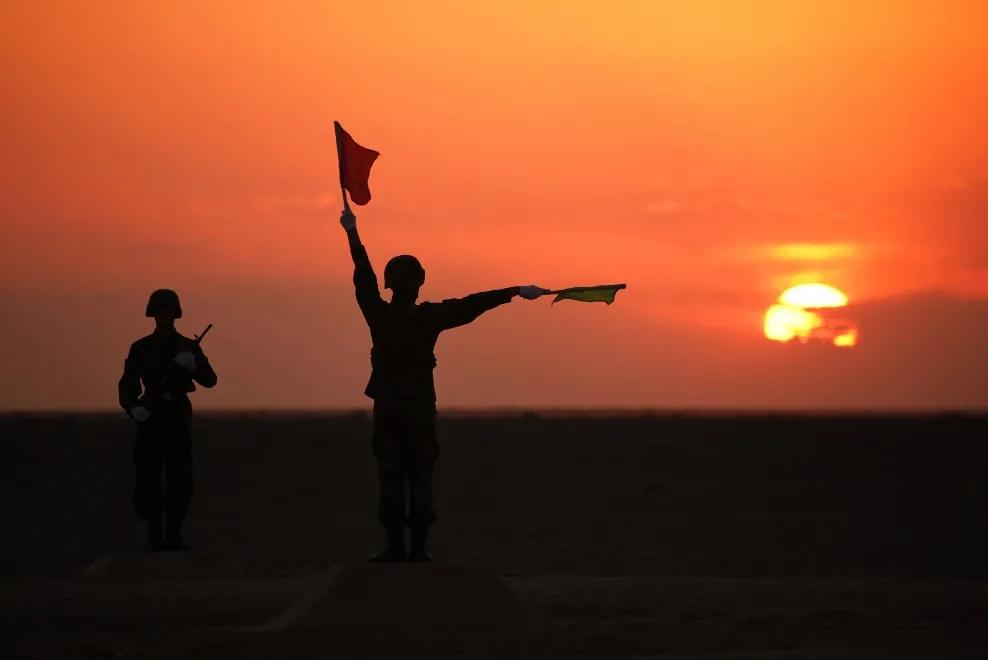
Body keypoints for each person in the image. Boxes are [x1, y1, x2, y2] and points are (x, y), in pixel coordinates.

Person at [340, 206, 548, 561]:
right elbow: (472, 305)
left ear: (390, 283)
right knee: (416, 476)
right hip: (416, 411)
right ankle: (416, 550)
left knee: (395, 477)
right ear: (419, 282)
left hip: (393, 411)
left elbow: (364, 278)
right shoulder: (428, 317)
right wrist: (515, 290)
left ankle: (398, 548)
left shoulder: (381, 313)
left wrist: (352, 233)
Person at [118, 289, 217, 551]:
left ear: (176, 313)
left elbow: (210, 380)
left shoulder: (187, 347)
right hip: (151, 419)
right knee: (147, 477)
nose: (165, 315)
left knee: (180, 478)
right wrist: (134, 408)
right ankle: (154, 535)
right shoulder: (140, 348)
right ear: (153, 313)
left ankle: (174, 534)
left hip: (176, 418)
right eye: (160, 310)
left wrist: (193, 366)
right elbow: (128, 384)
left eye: (169, 310)